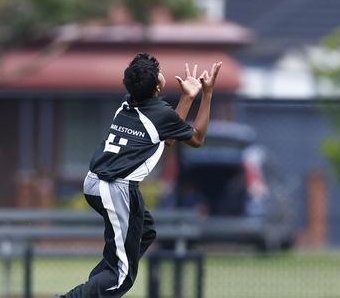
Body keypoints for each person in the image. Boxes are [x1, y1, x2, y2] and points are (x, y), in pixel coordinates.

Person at [59, 53, 221, 298]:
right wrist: (206, 94)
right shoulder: (159, 113)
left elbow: (165, 138)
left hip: (95, 182)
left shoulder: (127, 103)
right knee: (121, 276)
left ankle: (95, 290)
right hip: (115, 187)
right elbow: (196, 138)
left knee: (144, 231)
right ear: (158, 85)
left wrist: (187, 97)